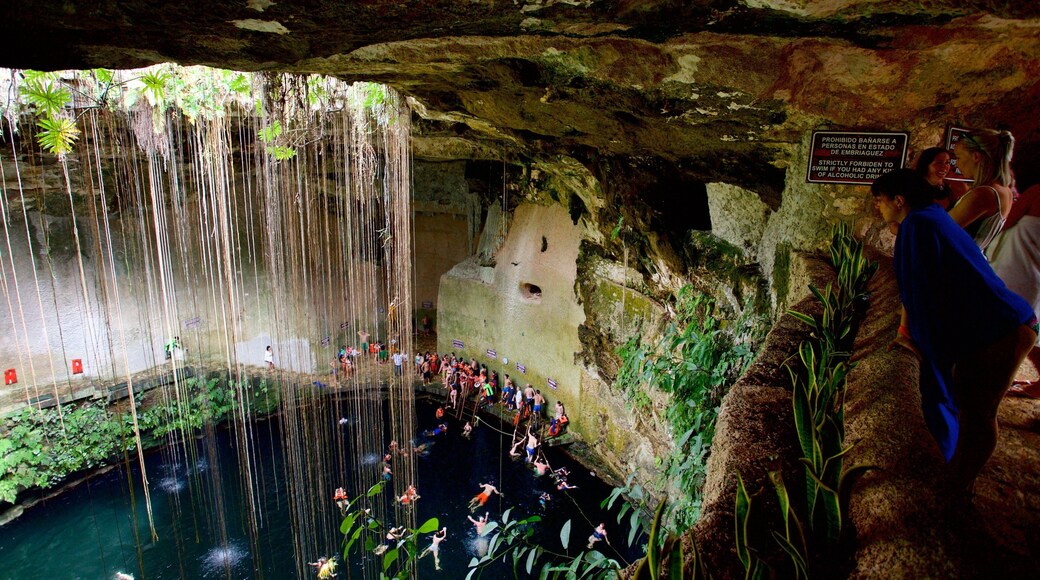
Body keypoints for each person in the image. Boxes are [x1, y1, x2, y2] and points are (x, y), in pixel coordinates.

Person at [873, 169, 1036, 494]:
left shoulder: (918, 226)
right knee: (968, 402)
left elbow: (921, 292)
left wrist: (919, 344)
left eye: (880, 201)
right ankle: (956, 477)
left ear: (899, 200)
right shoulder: (930, 216)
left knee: (978, 412)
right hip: (1001, 322)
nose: (878, 208)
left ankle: (957, 486)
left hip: (1001, 329)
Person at [987, 183, 1040, 398]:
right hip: (1033, 269)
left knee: (1012, 330)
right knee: (1032, 329)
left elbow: (1007, 222)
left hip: (1020, 269)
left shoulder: (1036, 192)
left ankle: (994, 385)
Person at [948, 129, 1016, 251]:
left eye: (958, 157)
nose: (956, 164)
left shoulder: (984, 194)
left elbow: (939, 229)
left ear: (976, 156)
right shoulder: (1005, 190)